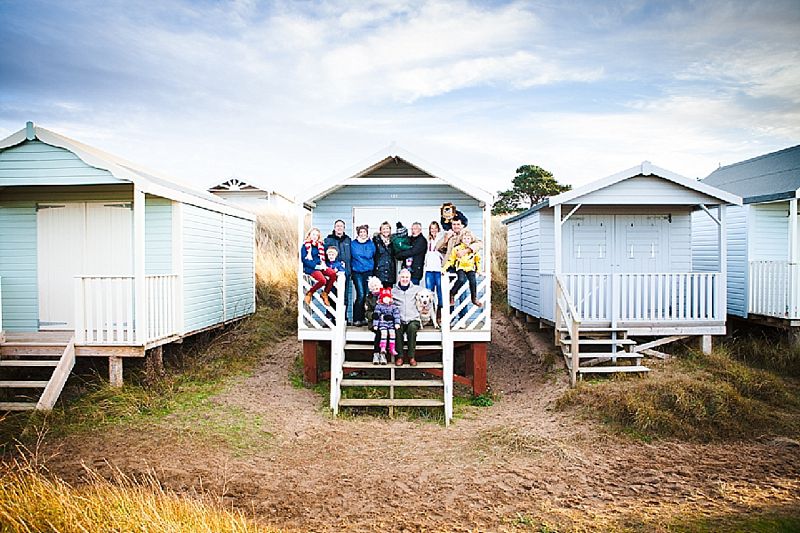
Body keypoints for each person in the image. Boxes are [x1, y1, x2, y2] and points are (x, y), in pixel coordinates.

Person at [442, 229, 483, 307]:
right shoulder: (457, 249)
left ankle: (474, 298)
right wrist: (444, 269)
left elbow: (477, 260)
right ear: (461, 239)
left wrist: (479, 270)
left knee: (473, 281)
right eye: (464, 238)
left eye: (468, 238)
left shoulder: (473, 249)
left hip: (470, 268)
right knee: (461, 279)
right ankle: (452, 293)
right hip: (460, 267)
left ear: (471, 239)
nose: (466, 240)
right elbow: (451, 260)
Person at [324, 220, 353, 323]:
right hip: (331, 273)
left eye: (341, 226)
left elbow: (352, 256)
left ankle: (342, 318)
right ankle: (330, 318)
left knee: (344, 296)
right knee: (331, 295)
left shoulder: (348, 240)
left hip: (345, 273)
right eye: (337, 226)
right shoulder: (328, 240)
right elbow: (324, 256)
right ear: (334, 228)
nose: (339, 228)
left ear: (344, 228)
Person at [392, 268, 422, 366]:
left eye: (407, 277)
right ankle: (400, 357)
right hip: (399, 319)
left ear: (410, 278)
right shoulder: (393, 291)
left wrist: (425, 310)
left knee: (412, 328)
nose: (405, 279)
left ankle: (411, 357)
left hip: (413, 318)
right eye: (403, 277)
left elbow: (428, 298)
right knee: (397, 329)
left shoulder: (417, 289)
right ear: (399, 278)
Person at [301, 228, 336, 307]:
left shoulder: (320, 246)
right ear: (309, 235)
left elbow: (326, 256)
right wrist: (316, 266)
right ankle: (309, 293)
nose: (315, 236)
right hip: (310, 268)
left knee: (332, 273)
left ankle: (325, 293)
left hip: (320, 266)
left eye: (317, 235)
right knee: (322, 280)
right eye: (313, 234)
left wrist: (335, 265)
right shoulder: (305, 245)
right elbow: (304, 260)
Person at [350, 224, 376, 327]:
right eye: (361, 232)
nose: (362, 234)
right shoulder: (353, 244)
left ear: (367, 233)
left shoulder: (371, 244)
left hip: (368, 271)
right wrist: (363, 258)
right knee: (360, 294)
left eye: (364, 232)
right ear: (358, 233)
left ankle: (364, 318)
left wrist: (363, 257)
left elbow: (371, 254)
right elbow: (355, 255)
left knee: (367, 295)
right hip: (357, 272)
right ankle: (357, 318)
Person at [372, 288, 401, 365]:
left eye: (388, 297)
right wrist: (375, 324)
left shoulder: (393, 307)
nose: (386, 299)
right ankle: (382, 349)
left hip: (391, 324)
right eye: (384, 298)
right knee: (383, 334)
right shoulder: (379, 306)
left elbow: (396, 315)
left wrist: (397, 323)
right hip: (382, 324)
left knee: (392, 334)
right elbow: (376, 316)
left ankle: (392, 348)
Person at [423, 221, 444, 308]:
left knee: (440, 289)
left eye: (435, 228)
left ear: (438, 229)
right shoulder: (428, 240)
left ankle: (440, 308)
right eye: (432, 228)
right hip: (429, 268)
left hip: (439, 268)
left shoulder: (441, 239)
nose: (433, 230)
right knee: (429, 291)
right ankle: (430, 309)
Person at [364, 275, 384, 360]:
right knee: (379, 332)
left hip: (384, 321)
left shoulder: (385, 295)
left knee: (387, 331)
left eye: (376, 285)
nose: (375, 287)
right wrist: (372, 315)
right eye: (373, 286)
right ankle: (376, 353)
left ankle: (383, 353)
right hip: (374, 322)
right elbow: (367, 312)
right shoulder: (368, 298)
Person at [373, 221, 396, 288]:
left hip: (390, 271)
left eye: (387, 228)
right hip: (379, 271)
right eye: (383, 229)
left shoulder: (393, 241)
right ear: (380, 230)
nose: (386, 230)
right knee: (378, 292)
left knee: (388, 292)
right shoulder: (376, 241)